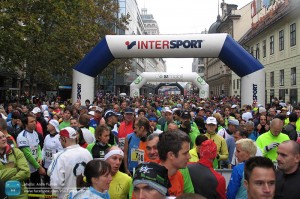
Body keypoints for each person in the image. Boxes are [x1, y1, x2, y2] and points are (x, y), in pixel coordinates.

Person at [48, 127, 93, 199]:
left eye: (60, 139)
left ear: (63, 139)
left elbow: (56, 184)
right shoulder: (87, 152)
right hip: (85, 195)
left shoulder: (60, 157)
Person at [17, 114, 46, 198]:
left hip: (36, 167)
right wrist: (39, 167)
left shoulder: (35, 133)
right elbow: (28, 155)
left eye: (35, 121)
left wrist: (40, 157)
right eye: (31, 121)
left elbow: (39, 147)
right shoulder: (22, 136)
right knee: (29, 192)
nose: (34, 123)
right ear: (26, 124)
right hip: (27, 169)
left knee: (36, 190)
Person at [157, 130, 193, 197]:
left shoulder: (179, 175)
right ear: (171, 155)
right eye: (185, 153)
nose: (189, 157)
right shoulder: (150, 178)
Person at [0, 130, 30, 199]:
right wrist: (15, 170)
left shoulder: (16, 152)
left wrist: (6, 183)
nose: (4, 139)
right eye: (0, 138)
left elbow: (26, 172)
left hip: (19, 195)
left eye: (3, 136)